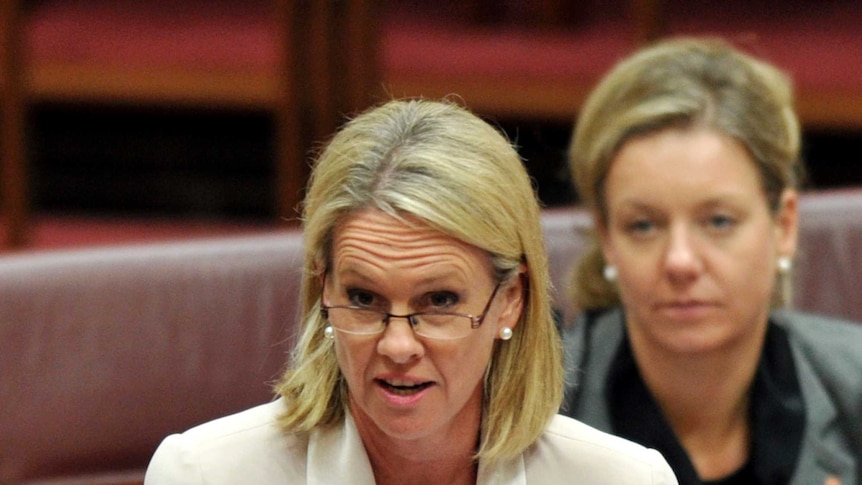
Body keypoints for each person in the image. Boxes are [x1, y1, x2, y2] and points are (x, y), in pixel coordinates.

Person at [143, 99, 678, 484]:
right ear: (322, 288)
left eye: (440, 302)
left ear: (510, 299)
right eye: (364, 299)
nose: (398, 346)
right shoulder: (203, 473)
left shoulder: (623, 478)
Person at [560, 36, 862, 485]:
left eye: (718, 221)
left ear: (784, 226)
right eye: (643, 226)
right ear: (606, 238)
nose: (680, 262)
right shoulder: (538, 412)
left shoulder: (852, 383)